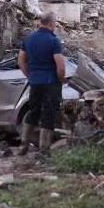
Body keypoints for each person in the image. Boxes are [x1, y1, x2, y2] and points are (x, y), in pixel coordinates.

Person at [16, 12, 65, 155]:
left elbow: (20, 61)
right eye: (55, 23)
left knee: (33, 112)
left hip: (35, 83)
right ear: (51, 23)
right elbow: (60, 67)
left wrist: (30, 76)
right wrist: (60, 81)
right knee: (48, 115)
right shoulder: (53, 40)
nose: (55, 26)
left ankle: (23, 145)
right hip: (50, 83)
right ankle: (44, 149)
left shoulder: (29, 38)